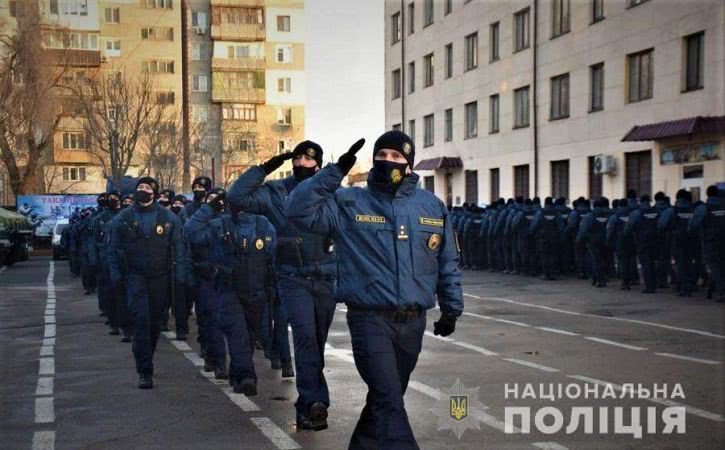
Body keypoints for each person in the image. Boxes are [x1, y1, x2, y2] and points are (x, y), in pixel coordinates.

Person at [286, 131, 463, 449]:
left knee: (385, 399)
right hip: (370, 320)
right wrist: (333, 172)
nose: (388, 162)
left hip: (412, 323)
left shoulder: (432, 206)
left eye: (396, 157)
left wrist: (452, 308)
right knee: (389, 399)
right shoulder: (348, 201)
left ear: (408, 164)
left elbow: (446, 260)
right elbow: (297, 209)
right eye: (382, 155)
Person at [228, 141, 338, 431]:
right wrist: (265, 168)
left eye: (308, 159)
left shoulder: (330, 191)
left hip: (326, 275)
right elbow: (237, 197)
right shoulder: (278, 191)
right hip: (293, 276)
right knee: (304, 338)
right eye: (297, 157)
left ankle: (307, 405)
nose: (301, 162)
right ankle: (316, 402)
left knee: (316, 343)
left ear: (319, 163)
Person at [108, 177, 186, 389]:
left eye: (147, 187)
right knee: (141, 322)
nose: (143, 190)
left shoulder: (168, 218)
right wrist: (115, 276)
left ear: (155, 192)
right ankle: (145, 370)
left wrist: (180, 276)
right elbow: (113, 250)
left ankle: (147, 352)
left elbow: (179, 249)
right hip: (135, 278)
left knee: (155, 324)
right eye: (140, 187)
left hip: (160, 278)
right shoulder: (123, 218)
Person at [204, 194, 277, 395]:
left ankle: (238, 375)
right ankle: (247, 376)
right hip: (229, 289)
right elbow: (192, 233)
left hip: (256, 290)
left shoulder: (265, 226)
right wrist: (208, 208)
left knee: (248, 337)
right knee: (238, 334)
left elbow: (271, 257)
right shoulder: (220, 224)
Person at [185, 187, 229, 378]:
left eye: (218, 199)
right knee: (209, 321)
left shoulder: (229, 220)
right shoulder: (199, 222)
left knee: (226, 323)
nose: (215, 202)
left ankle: (224, 362)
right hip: (205, 276)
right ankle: (215, 359)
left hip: (227, 277)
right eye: (211, 199)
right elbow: (190, 237)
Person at [689, 186, 725, 302]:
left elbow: (693, 225)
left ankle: (721, 291)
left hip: (711, 241)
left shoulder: (703, 209)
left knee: (715, 267)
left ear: (707, 194)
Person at [659, 190, 695, 296]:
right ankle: (689, 284)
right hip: (692, 239)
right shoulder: (695, 210)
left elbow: (662, 225)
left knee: (680, 263)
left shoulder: (671, 211)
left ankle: (684, 287)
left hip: (677, 239)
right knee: (690, 262)